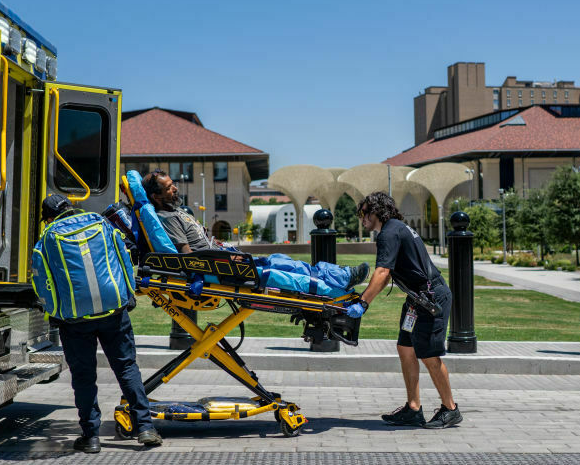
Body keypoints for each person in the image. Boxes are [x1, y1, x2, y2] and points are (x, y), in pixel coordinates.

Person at [36, 194, 163, 453]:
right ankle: (146, 428)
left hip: (73, 319)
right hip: (113, 310)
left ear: (49, 218)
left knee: (84, 377)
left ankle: (91, 437)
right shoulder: (100, 223)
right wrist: (127, 294)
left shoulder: (48, 238)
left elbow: (43, 282)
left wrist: (54, 311)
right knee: (127, 368)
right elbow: (123, 258)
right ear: (70, 208)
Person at [140, 171, 369, 293]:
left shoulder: (177, 211)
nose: (175, 188)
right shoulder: (166, 218)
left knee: (281, 260)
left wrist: (220, 246)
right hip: (219, 268)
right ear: (155, 197)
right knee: (276, 274)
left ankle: (339, 275)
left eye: (173, 183)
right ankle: (331, 290)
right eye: (168, 187)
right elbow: (188, 258)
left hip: (224, 261)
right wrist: (223, 257)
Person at [345, 191, 462, 429]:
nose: (362, 218)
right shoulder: (397, 228)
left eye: (364, 213)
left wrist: (363, 302)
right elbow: (387, 275)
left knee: (428, 354)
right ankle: (413, 408)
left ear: (376, 211)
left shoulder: (389, 233)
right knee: (405, 348)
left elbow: (382, 273)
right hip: (416, 300)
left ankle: (450, 409)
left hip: (431, 299)